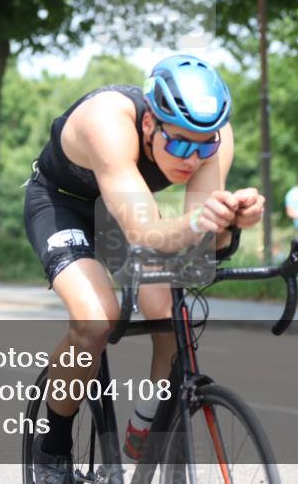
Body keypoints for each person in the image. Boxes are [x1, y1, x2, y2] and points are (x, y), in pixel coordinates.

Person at [23, 55, 264, 482]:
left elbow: (202, 242)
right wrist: (199, 221)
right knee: (96, 321)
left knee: (169, 310)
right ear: (150, 124)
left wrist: (229, 221)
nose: (192, 158)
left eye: (203, 146)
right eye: (179, 144)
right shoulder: (107, 123)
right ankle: (53, 447)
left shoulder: (213, 136)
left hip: (123, 208)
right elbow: (146, 231)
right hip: (62, 204)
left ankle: (146, 422)